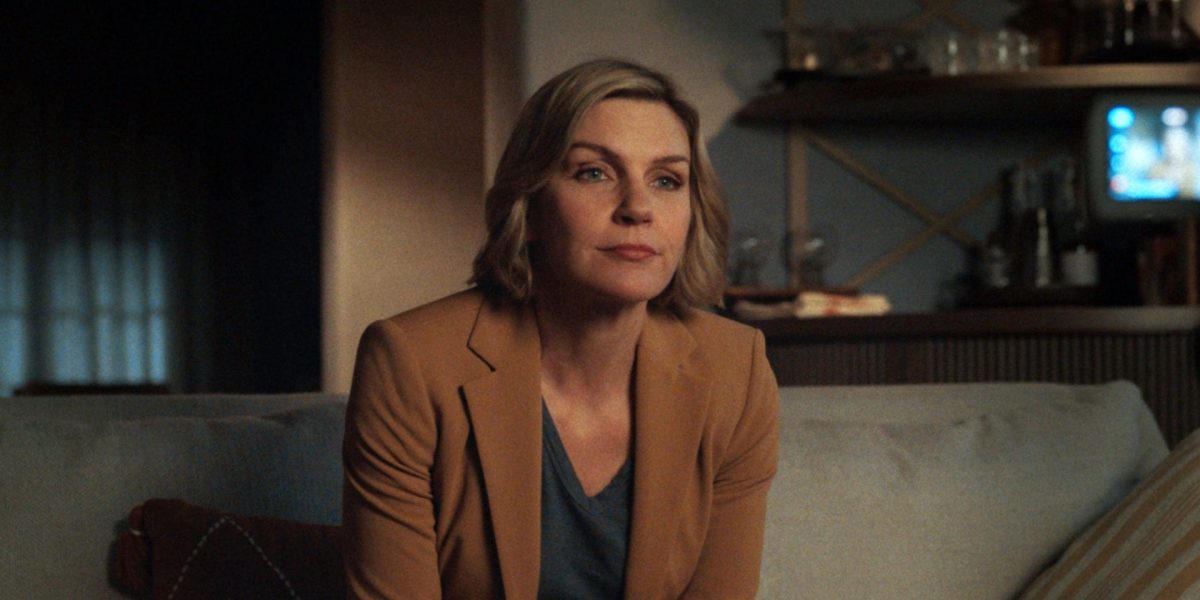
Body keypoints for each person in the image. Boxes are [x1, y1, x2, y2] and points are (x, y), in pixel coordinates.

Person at [342, 58, 780, 599]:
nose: (638, 208)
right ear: (529, 204)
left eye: (667, 180)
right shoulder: (411, 361)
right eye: (593, 173)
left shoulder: (736, 370)